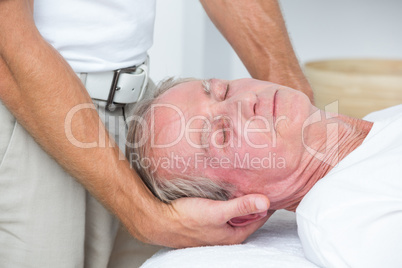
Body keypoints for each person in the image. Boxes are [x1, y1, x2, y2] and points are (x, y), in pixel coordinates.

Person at [0, 0, 316, 267]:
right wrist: (144, 215)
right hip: (28, 105)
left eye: (220, 90)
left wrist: (302, 120)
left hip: (134, 99)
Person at [126, 77, 402, 267]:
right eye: (222, 134)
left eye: (224, 90)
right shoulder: (345, 217)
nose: (246, 100)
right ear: (243, 210)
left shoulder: (384, 118)